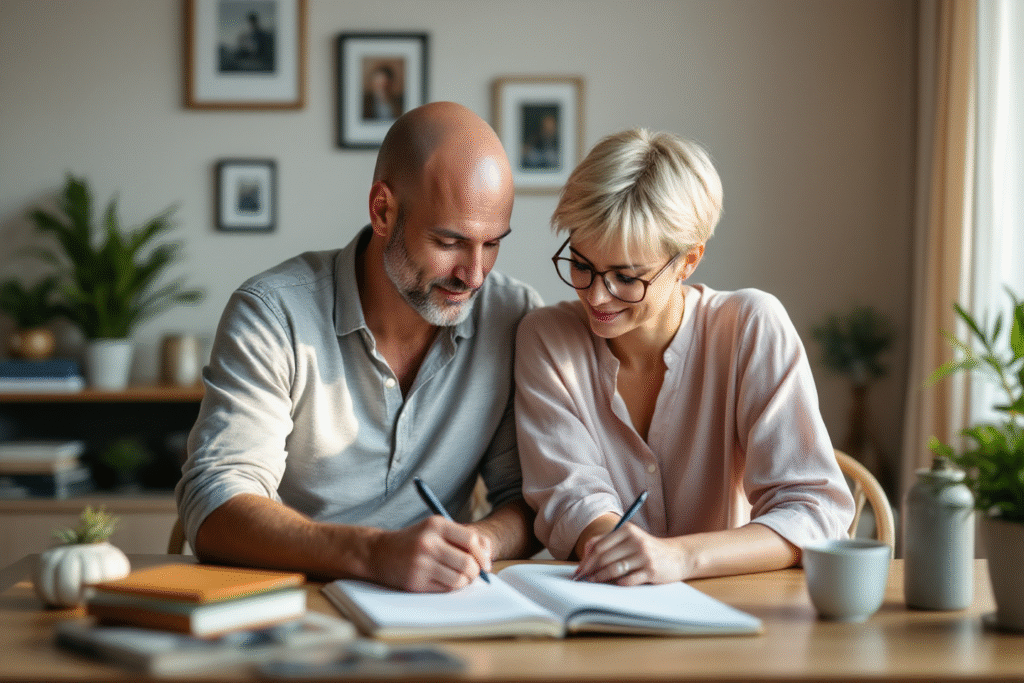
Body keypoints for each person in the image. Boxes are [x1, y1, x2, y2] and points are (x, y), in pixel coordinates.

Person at [176, 102, 542, 593]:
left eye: (493, 243)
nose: (473, 275)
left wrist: (473, 547)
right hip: (295, 598)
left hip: (441, 605)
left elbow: (526, 497)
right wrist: (374, 554)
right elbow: (215, 501)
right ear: (383, 211)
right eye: (449, 242)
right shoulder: (273, 312)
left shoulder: (512, 317)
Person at [514, 129, 855, 585]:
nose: (596, 294)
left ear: (689, 260)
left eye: (626, 276)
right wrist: (615, 552)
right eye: (580, 264)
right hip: (605, 601)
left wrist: (679, 558)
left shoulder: (750, 326)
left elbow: (813, 509)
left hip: (732, 606)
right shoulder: (547, 339)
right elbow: (571, 496)